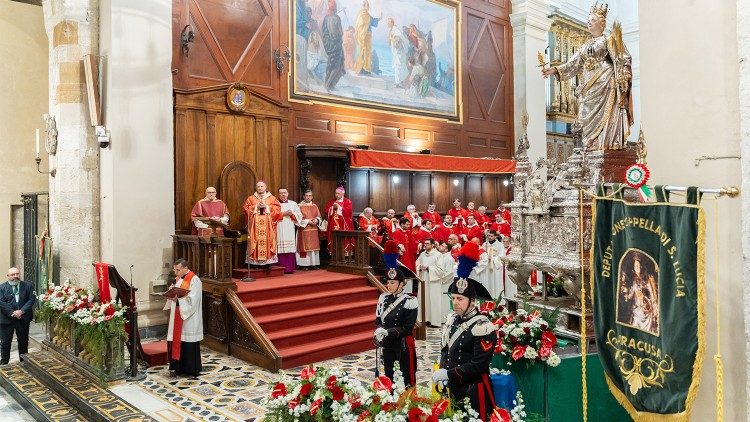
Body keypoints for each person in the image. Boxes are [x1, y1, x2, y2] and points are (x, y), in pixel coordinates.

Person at [542, 3, 632, 150]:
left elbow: (623, 58)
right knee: (584, 114)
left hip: (606, 82)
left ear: (602, 23)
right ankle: (590, 144)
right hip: (589, 86)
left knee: (607, 114)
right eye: (588, 20)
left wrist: (624, 75)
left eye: (593, 20)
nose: (589, 22)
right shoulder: (585, 45)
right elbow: (573, 63)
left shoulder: (609, 40)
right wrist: (556, 69)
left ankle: (605, 143)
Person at [432, 243, 497, 419]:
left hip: (474, 390)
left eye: (460, 299)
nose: (456, 303)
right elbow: (445, 349)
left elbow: (479, 365)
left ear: (473, 301)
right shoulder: (452, 320)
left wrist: (449, 374)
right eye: (453, 298)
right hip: (453, 386)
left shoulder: (483, 326)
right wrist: (445, 371)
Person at [375, 242, 418, 387]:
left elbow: (407, 328)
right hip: (387, 344)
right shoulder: (383, 298)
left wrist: (386, 332)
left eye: (393, 283)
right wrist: (379, 329)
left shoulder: (410, 301)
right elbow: (378, 319)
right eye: (388, 282)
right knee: (389, 375)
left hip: (403, 345)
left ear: (402, 284)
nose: (389, 285)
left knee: (406, 377)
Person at [164, 259, 203, 376]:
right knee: (177, 340)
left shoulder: (194, 280)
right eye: (175, 269)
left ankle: (190, 369)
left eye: (178, 270)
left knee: (187, 342)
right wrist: (170, 294)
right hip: (177, 313)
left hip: (188, 317)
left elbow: (193, 299)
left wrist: (178, 300)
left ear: (185, 268)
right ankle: (177, 367)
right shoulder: (177, 279)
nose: (176, 272)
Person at [243, 181, 283, 267]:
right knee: (255, 241)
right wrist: (256, 207)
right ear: (256, 188)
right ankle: (256, 263)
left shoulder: (272, 198)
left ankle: (267, 263)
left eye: (262, 186)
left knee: (268, 241)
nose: (260, 188)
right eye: (258, 186)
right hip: (255, 227)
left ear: (265, 187)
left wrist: (267, 207)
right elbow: (246, 209)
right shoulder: (251, 198)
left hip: (268, 227)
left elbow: (277, 210)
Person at [0, 268, 34, 365]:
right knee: (5, 343)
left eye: (17, 274)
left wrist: (21, 311)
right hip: (6, 320)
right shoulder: (1, 288)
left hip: (23, 319)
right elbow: (1, 303)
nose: (15, 276)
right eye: (12, 274)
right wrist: (13, 312)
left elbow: (31, 300)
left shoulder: (28, 286)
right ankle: (4, 364)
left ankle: (24, 363)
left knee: (23, 342)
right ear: (8, 276)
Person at [416, 239, 453, 327]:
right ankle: (424, 319)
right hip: (423, 280)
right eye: (425, 243)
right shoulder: (422, 254)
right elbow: (417, 264)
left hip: (434, 282)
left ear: (432, 245)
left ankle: (434, 322)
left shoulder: (438, 255)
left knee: (434, 301)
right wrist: (419, 267)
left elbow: (440, 270)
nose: (425, 245)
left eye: (427, 244)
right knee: (423, 299)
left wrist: (428, 268)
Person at [276, 189, 302, 273]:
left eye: (284, 193)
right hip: (279, 227)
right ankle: (280, 268)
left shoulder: (293, 204)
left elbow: (299, 216)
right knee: (280, 247)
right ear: (278, 194)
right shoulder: (275, 203)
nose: (283, 194)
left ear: (288, 194)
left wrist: (292, 214)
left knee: (290, 247)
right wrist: (283, 214)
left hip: (290, 227)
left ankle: (290, 268)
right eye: (281, 193)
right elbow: (272, 215)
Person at [321, 0, 345, 91]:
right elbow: (341, 32)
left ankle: (329, 85)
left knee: (330, 64)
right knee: (337, 66)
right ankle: (328, 85)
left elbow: (324, 32)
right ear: (335, 8)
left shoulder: (326, 18)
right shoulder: (337, 18)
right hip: (336, 45)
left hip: (328, 45)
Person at [474, 230, 504, 301]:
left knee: (496, 283)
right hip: (487, 268)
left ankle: (498, 299)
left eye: (491, 236)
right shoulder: (485, 244)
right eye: (488, 236)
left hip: (495, 268)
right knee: (488, 283)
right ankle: (488, 298)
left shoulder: (500, 245)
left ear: (495, 236)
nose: (490, 237)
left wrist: (493, 258)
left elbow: (502, 256)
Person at [353, 0, 381, 75]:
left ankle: (366, 69)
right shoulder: (362, 14)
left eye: (368, 5)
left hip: (368, 36)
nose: (368, 7)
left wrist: (379, 19)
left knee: (367, 52)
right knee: (362, 51)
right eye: (367, 5)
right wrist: (362, 32)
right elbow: (359, 26)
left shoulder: (367, 15)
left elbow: (372, 22)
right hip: (363, 36)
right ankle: (359, 69)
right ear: (363, 6)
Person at [297, 190, 323, 270]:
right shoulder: (299, 206)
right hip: (304, 229)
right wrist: (308, 221)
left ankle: (314, 264)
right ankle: (303, 265)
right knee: (305, 247)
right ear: (304, 196)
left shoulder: (314, 206)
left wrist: (317, 220)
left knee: (313, 247)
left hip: (313, 230)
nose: (308, 197)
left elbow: (319, 216)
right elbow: (297, 219)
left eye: (310, 195)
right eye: (307, 195)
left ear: (312, 197)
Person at [324, 186, 354, 254]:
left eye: (338, 193)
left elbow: (349, 211)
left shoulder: (347, 201)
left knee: (344, 240)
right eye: (336, 193)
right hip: (333, 226)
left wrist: (339, 208)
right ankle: (334, 255)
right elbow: (326, 210)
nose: (336, 195)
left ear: (343, 194)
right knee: (334, 239)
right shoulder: (331, 201)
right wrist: (332, 208)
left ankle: (345, 256)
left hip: (343, 225)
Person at [387, 17, 409, 85]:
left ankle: (398, 83)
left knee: (398, 68)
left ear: (392, 23)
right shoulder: (392, 30)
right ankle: (399, 82)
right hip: (397, 54)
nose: (387, 24)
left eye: (388, 22)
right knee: (399, 68)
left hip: (399, 54)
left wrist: (391, 38)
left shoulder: (396, 31)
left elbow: (396, 44)